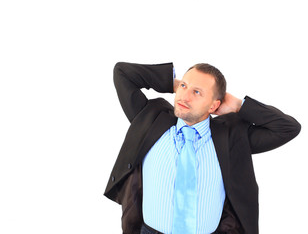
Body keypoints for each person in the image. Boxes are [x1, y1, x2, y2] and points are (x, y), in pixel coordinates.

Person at [104, 62, 301, 234]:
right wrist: (173, 84)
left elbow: (288, 128)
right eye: (184, 86)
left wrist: (239, 107)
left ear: (215, 106)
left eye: (196, 92)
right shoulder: (150, 119)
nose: (185, 96)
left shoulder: (232, 138)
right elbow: (122, 72)